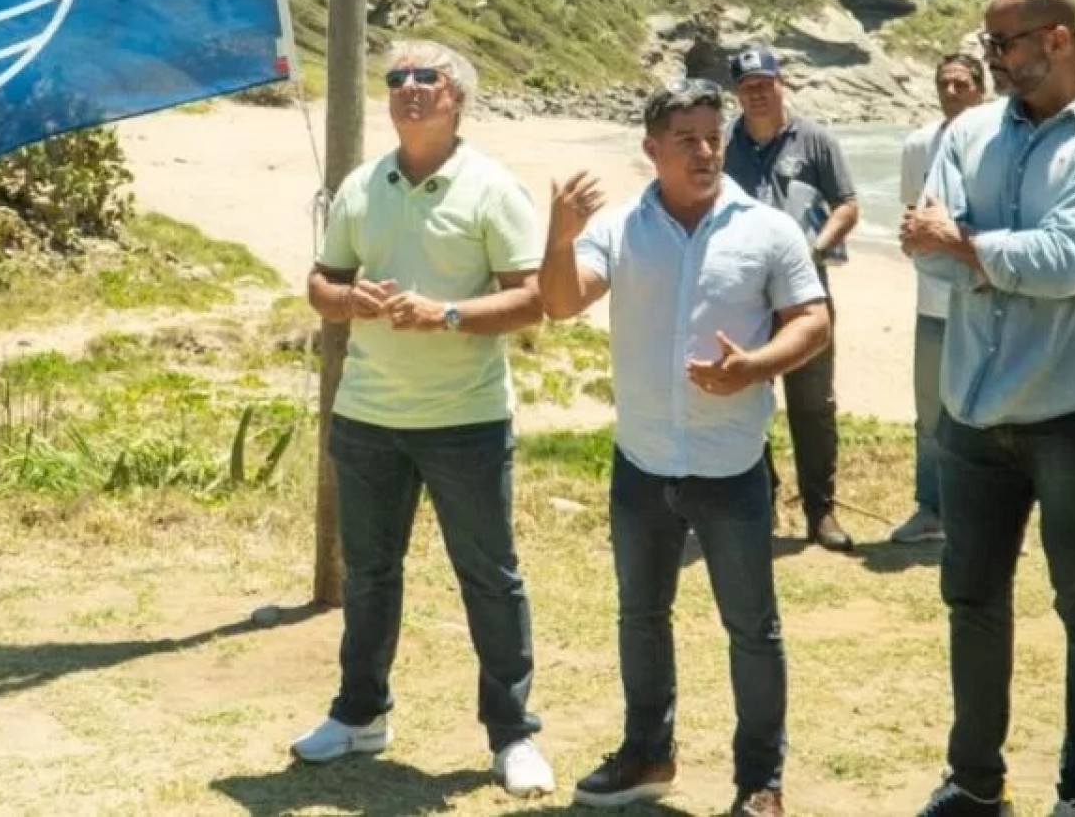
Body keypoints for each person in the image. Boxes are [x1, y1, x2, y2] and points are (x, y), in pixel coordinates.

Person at [900, 0, 1075, 817]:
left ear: (1058, 39)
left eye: (1004, 44)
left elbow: (1063, 261)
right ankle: (974, 783)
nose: (992, 59)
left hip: (1074, 416)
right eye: (988, 44)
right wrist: (1026, 261)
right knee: (971, 602)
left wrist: (978, 248)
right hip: (972, 411)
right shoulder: (970, 131)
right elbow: (927, 249)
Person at [541, 79, 830, 817]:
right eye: (686, 140)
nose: (705, 152)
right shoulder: (621, 228)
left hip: (731, 466)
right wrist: (560, 235)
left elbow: (813, 321)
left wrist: (755, 368)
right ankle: (647, 753)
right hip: (641, 462)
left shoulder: (767, 229)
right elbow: (563, 301)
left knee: (752, 631)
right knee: (640, 618)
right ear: (652, 149)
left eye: (713, 137)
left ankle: (760, 783)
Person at [289, 40, 554, 798]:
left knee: (490, 578)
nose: (408, 87)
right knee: (370, 575)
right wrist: (349, 301)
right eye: (396, 78)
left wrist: (446, 314)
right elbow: (321, 282)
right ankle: (359, 714)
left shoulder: (493, 188)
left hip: (466, 420)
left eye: (426, 78)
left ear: (456, 98)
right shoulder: (361, 185)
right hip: (367, 416)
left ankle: (512, 735)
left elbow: (531, 300)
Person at [723, 44, 860, 551]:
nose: (757, 95)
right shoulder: (723, 144)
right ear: (738, 94)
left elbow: (847, 205)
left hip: (805, 291)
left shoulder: (816, 139)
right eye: (747, 88)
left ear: (782, 84)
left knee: (813, 404)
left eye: (765, 84)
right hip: (743, 292)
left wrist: (817, 248)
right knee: (746, 394)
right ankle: (760, 500)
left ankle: (820, 512)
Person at [891, 53, 987, 545]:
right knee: (930, 410)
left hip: (985, 298)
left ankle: (988, 513)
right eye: (944, 84)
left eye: (962, 84)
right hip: (932, 301)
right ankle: (930, 508)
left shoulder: (998, 144)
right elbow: (913, 215)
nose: (951, 92)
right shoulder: (918, 145)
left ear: (981, 89)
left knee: (987, 408)